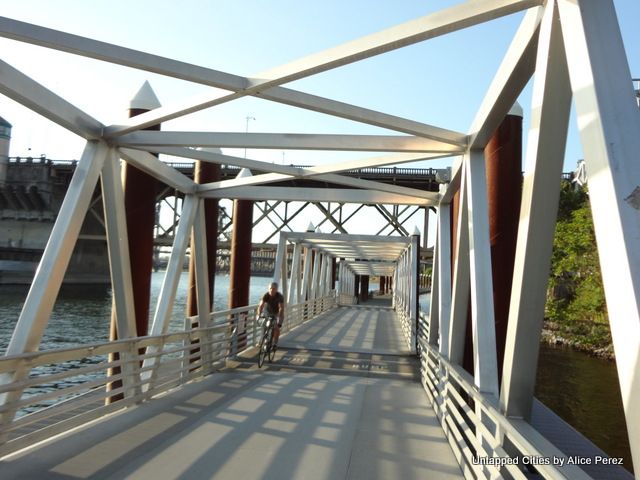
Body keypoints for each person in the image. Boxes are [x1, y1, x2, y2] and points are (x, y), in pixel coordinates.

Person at [257, 282, 285, 347]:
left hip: (276, 313)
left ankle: (275, 342)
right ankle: (261, 341)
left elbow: (281, 308)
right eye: (270, 288)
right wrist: (258, 315)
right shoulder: (266, 295)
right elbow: (260, 306)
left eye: (274, 289)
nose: (272, 290)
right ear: (268, 289)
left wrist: (279, 319)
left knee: (276, 328)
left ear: (276, 289)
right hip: (267, 312)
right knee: (264, 326)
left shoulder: (279, 296)